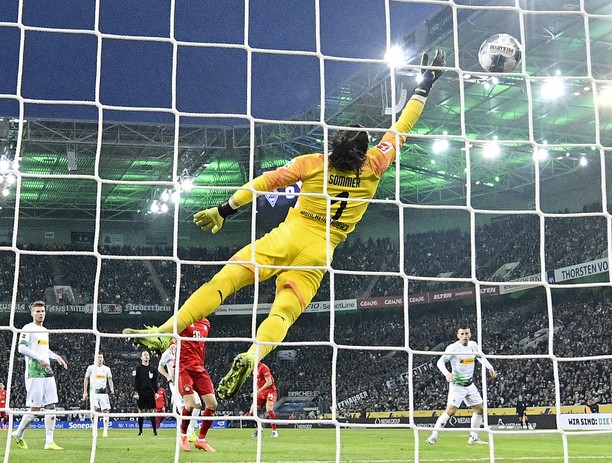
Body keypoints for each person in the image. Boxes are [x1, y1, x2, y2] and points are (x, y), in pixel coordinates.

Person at [124, 49, 447, 400]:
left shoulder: (314, 162)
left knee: (226, 280)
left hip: (290, 235)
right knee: (284, 312)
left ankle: (165, 330)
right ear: (363, 151)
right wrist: (425, 83)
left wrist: (224, 209)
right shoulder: (376, 164)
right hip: (320, 251)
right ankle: (253, 354)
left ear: (334, 144)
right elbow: (402, 126)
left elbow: (264, 183)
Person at [426, 325, 497, 445]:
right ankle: (433, 436)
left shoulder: (473, 345)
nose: (464, 336)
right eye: (462, 334)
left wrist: (490, 367)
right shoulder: (453, 348)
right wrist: (447, 374)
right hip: (457, 385)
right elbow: (440, 362)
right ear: (458, 336)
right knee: (450, 411)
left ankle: (473, 437)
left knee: (480, 410)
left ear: (470, 334)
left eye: (466, 333)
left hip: (470, 384)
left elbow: (481, 357)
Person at [11, 301, 68, 450]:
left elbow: (45, 350)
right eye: (37, 311)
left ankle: (49, 442)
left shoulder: (45, 330)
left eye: (42, 311)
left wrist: (56, 357)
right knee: (35, 409)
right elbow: (21, 348)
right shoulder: (27, 328)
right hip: (34, 372)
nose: (40, 313)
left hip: (47, 372)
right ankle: (18, 433)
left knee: (51, 405)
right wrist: (39, 359)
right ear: (32, 313)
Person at [170, 318, 217, 453]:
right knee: (190, 404)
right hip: (183, 368)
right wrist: (172, 343)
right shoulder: (184, 319)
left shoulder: (206, 323)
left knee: (212, 404)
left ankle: (201, 440)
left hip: (199, 369)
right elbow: (173, 334)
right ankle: (183, 435)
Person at [158, 342, 200, 442]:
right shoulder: (168, 353)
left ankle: (191, 430)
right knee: (182, 408)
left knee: (197, 404)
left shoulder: (185, 350)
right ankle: (185, 434)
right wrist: (168, 376)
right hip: (175, 384)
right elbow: (160, 367)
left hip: (188, 381)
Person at [82, 353, 114, 437]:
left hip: (103, 393)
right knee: (94, 410)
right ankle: (94, 429)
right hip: (94, 393)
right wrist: (85, 392)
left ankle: (105, 430)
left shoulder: (107, 369)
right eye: (98, 357)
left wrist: (112, 388)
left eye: (101, 357)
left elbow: (110, 379)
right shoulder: (91, 368)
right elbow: (86, 379)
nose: (100, 359)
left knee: (106, 411)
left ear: (103, 359)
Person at [249, 362, 279, 438]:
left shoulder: (263, 368)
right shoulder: (253, 369)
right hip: (261, 392)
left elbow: (269, 382)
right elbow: (257, 382)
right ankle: (259, 428)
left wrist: (258, 390)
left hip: (270, 390)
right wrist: (256, 391)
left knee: (269, 408)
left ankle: (274, 431)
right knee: (252, 411)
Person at [132, 351, 158, 436]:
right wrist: (136, 392)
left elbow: (155, 382)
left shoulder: (153, 369)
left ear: (149, 357)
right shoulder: (138, 368)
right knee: (141, 411)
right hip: (141, 392)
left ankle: (154, 431)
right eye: (144, 355)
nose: (146, 356)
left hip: (150, 392)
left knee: (152, 411)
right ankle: (140, 431)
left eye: (147, 355)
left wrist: (156, 392)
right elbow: (136, 381)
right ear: (141, 358)